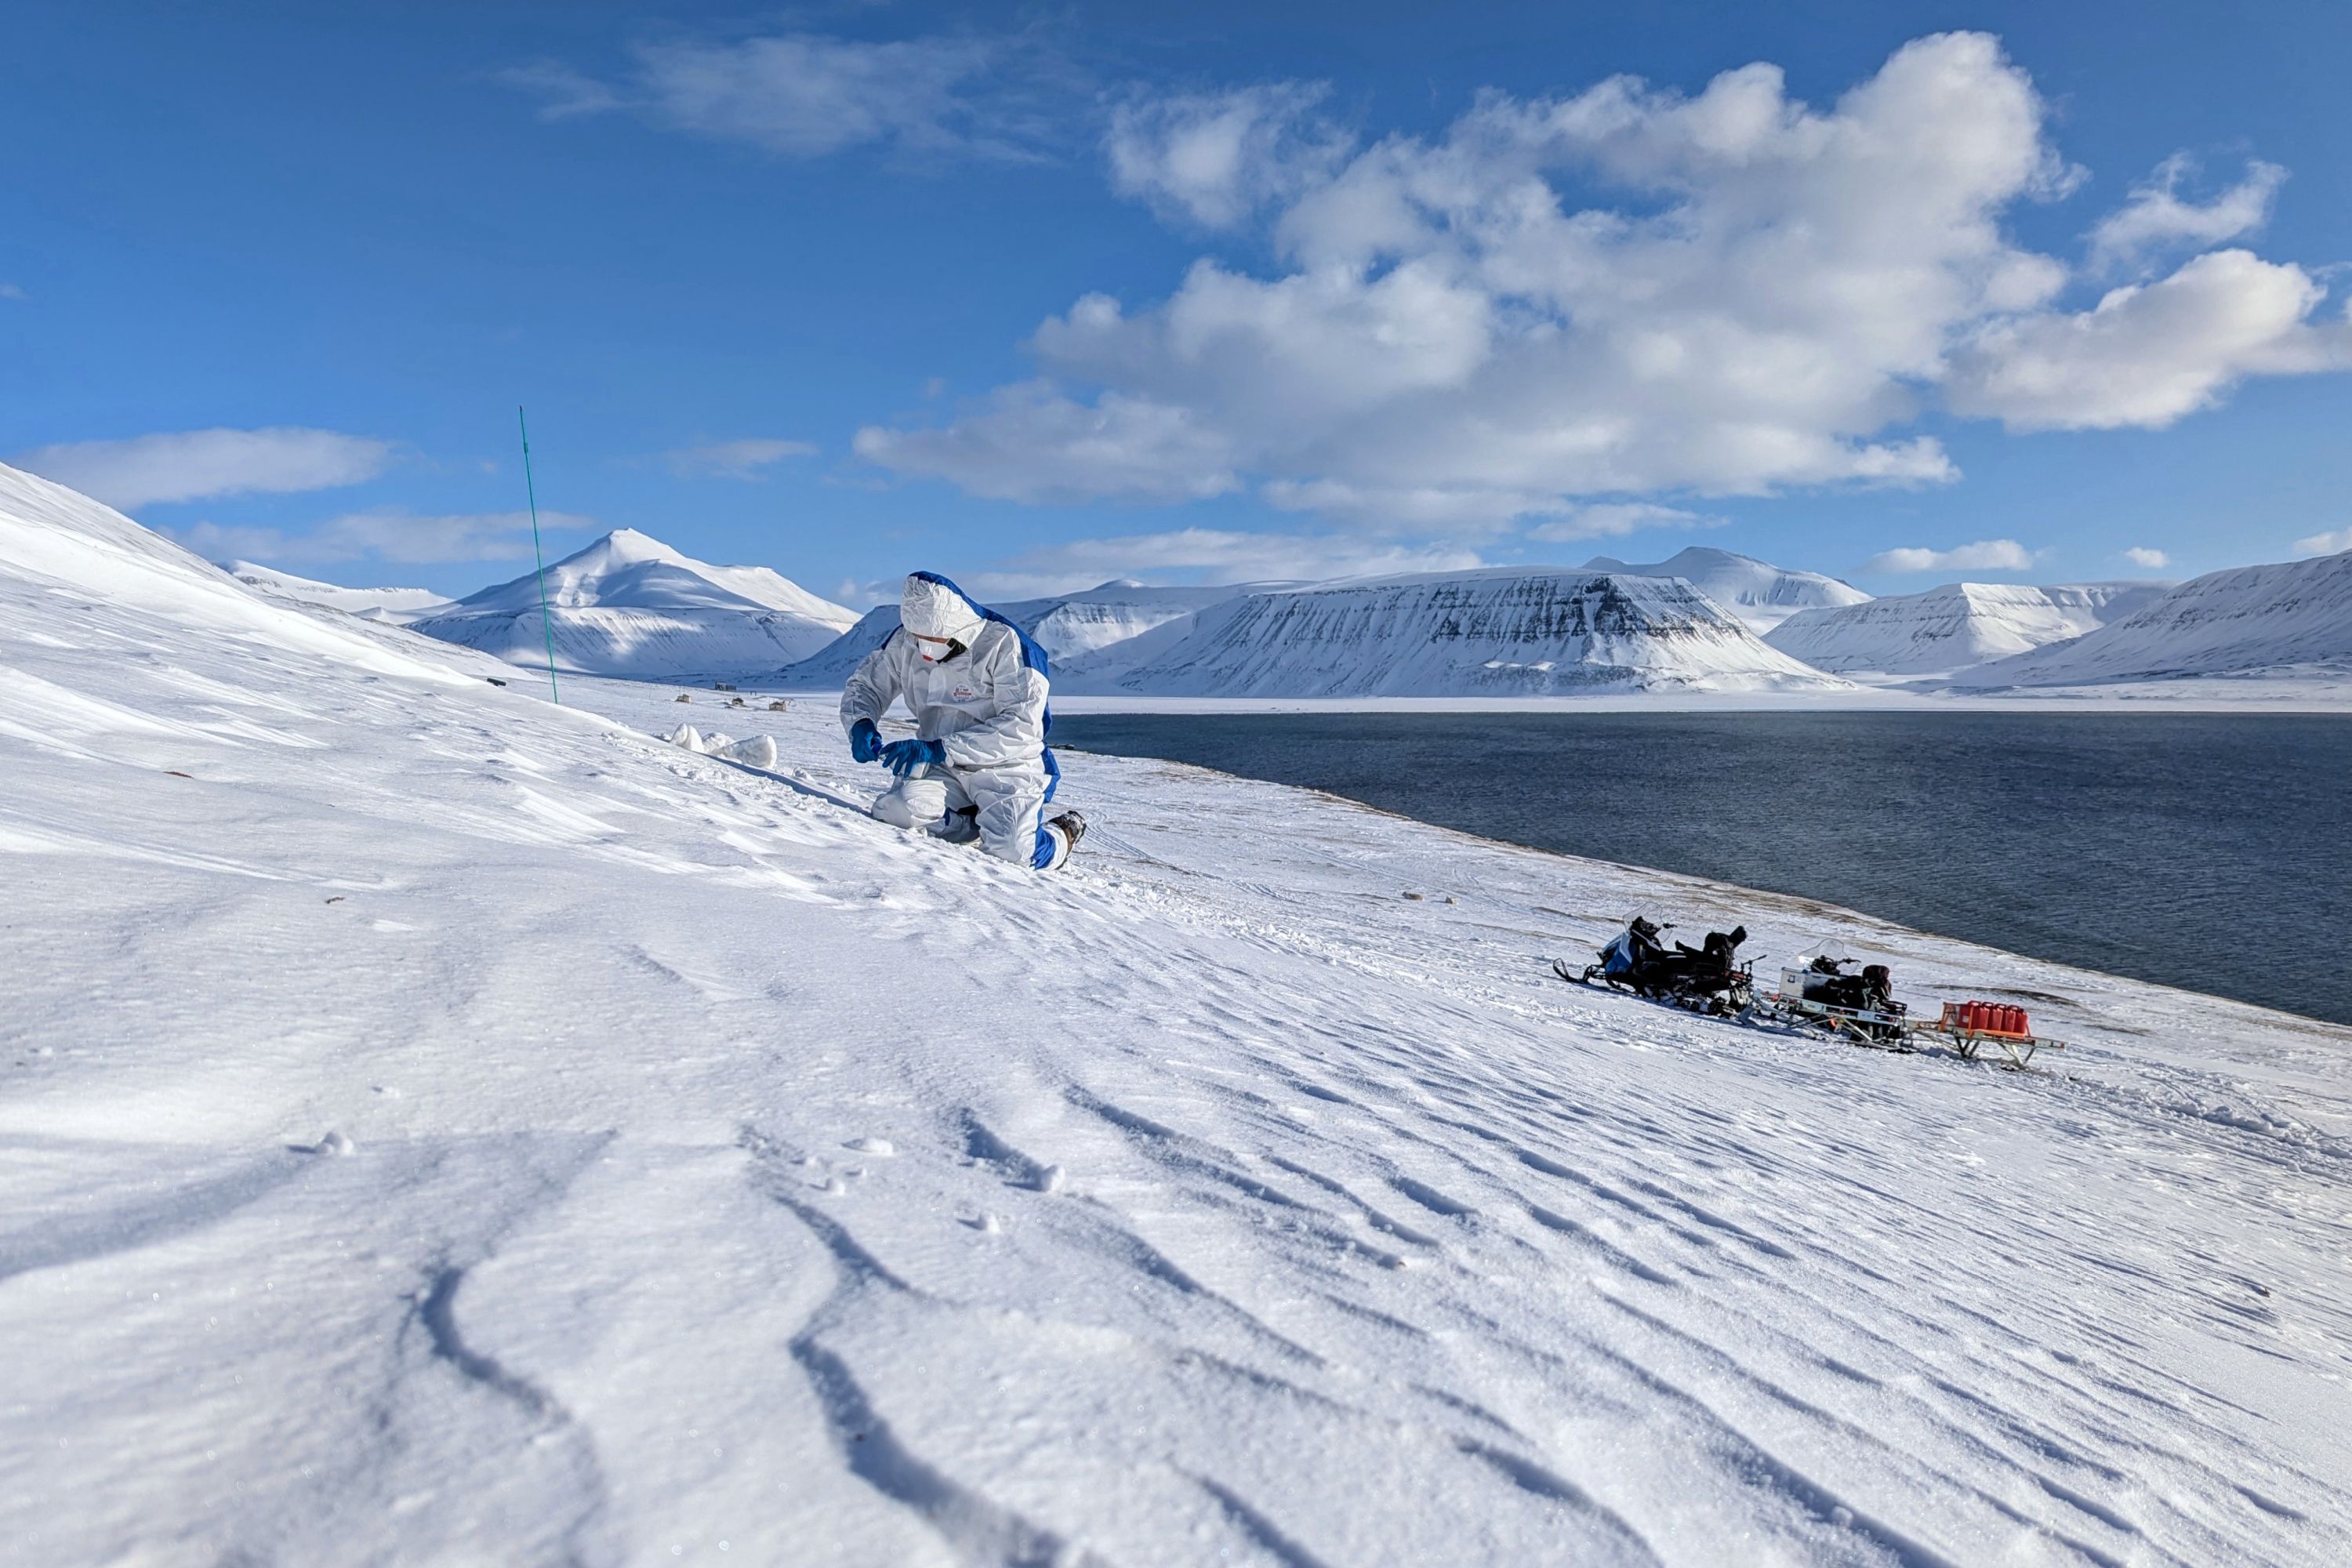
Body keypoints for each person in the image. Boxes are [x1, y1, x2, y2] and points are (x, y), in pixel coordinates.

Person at [841, 572, 1086, 871]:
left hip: (1006, 765)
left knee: (1012, 851)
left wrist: (939, 748)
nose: (926, 654)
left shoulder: (1005, 645)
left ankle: (1062, 835)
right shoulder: (905, 641)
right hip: (942, 765)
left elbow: (1021, 726)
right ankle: (972, 822)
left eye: (935, 643)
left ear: (958, 628)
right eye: (920, 642)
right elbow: (867, 685)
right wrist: (861, 722)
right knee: (895, 812)